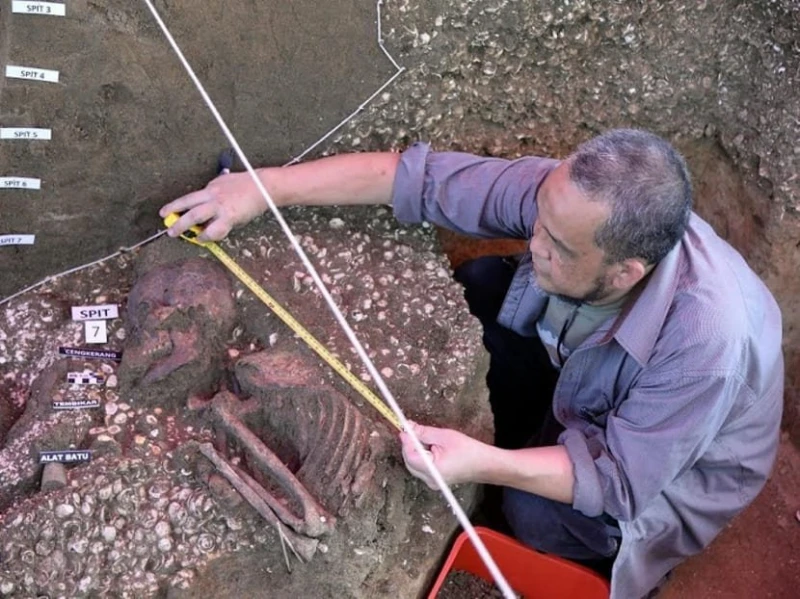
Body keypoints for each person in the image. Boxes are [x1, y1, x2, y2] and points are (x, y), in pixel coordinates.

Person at [160, 129, 784, 598]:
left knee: (532, 515)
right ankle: (522, 437)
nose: (533, 242)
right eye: (537, 221)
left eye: (557, 248)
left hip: (665, 471)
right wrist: (262, 189)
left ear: (626, 272)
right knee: (485, 282)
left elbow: (619, 479)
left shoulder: (707, 349)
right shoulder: (578, 208)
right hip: (585, 375)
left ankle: (602, 563)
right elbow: (418, 181)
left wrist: (483, 464)